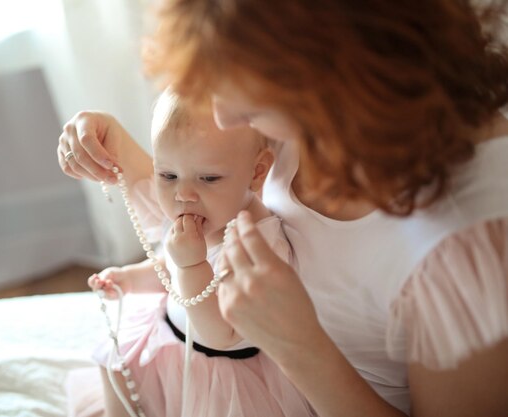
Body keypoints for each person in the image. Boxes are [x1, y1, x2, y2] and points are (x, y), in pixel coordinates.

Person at [57, 1, 508, 416]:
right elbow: (207, 198)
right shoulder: (319, 113)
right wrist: (120, 153)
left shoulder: (469, 249)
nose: (225, 115)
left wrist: (300, 346)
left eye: (248, 96)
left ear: (330, 67)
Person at [79, 89, 312, 417]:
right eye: (168, 175)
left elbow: (222, 334)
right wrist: (128, 278)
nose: (184, 194)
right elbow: (168, 269)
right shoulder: (195, 217)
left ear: (256, 172)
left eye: (209, 178)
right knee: (117, 360)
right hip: (173, 343)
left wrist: (192, 264)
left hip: (223, 374)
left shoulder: (258, 246)